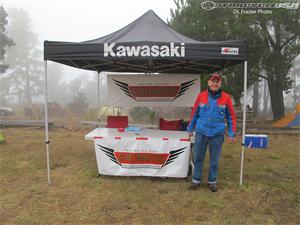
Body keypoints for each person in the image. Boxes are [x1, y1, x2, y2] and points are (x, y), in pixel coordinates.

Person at [187, 73, 236, 192]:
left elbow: (231, 117)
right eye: (213, 81)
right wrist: (190, 128)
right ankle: (196, 181)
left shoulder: (226, 98)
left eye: (217, 82)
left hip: (217, 134)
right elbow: (194, 113)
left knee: (215, 159)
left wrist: (231, 133)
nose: (215, 84)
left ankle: (212, 182)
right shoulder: (201, 96)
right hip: (201, 132)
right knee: (198, 157)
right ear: (209, 83)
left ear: (220, 84)